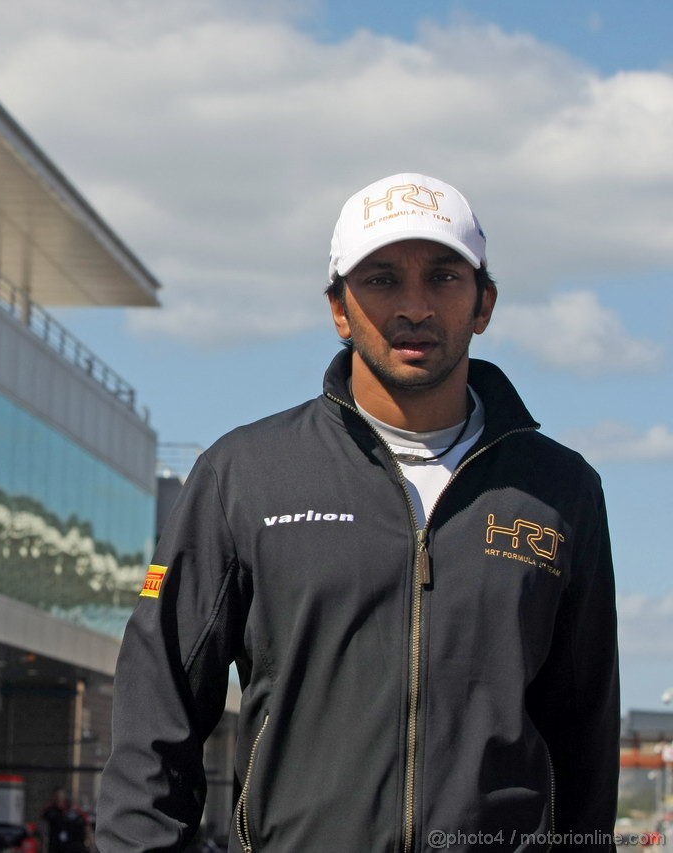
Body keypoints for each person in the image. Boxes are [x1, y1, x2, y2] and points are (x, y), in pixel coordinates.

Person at [96, 173, 619, 851]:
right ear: (340, 308)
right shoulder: (246, 475)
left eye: (443, 277)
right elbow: (155, 711)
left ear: (483, 303)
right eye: (380, 280)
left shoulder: (559, 490)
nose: (415, 307)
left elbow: (586, 734)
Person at [42, 788, 92, 853]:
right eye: (57, 796)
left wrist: (90, 843)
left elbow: (87, 828)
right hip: (56, 845)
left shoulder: (79, 814)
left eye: (62, 796)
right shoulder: (50, 811)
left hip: (75, 846)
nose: (60, 799)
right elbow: (45, 829)